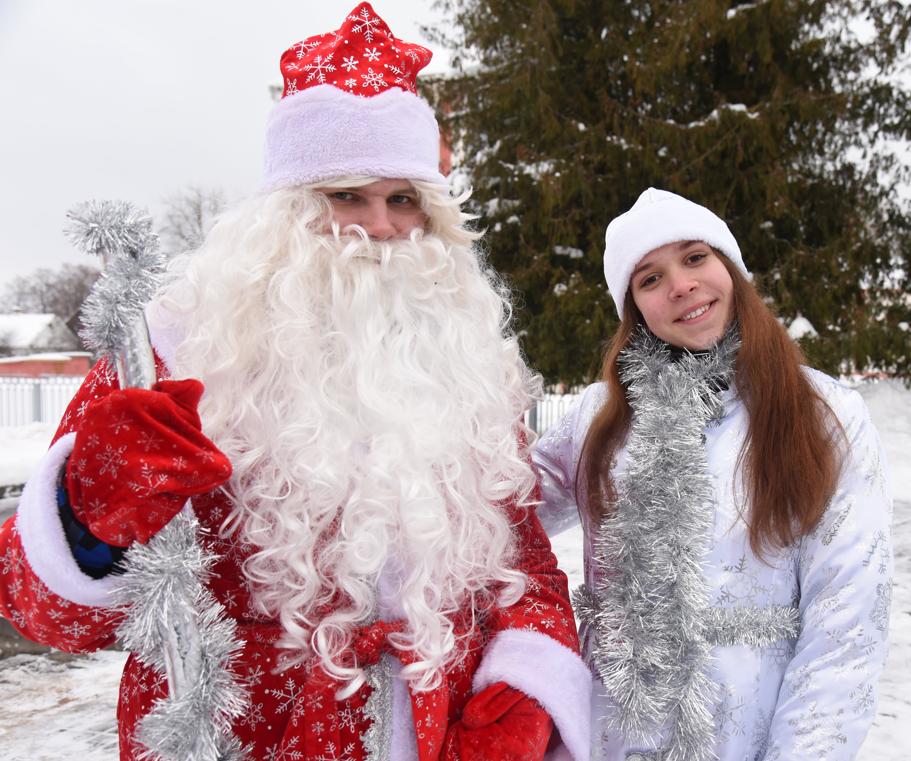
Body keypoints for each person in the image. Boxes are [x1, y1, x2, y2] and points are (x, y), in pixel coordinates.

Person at [0, 4, 591, 760]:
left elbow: (528, 569)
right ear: (285, 210)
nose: (380, 227)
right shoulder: (177, 351)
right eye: (346, 195)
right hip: (242, 737)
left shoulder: (462, 369)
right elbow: (42, 608)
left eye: (402, 198)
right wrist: (89, 510)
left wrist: (520, 697)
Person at [533, 188, 893, 760]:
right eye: (650, 279)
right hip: (605, 736)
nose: (680, 285)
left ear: (731, 268)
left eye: (695, 258)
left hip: (742, 733)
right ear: (635, 310)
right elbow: (493, 515)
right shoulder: (598, 419)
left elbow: (846, 624)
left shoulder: (823, 415)